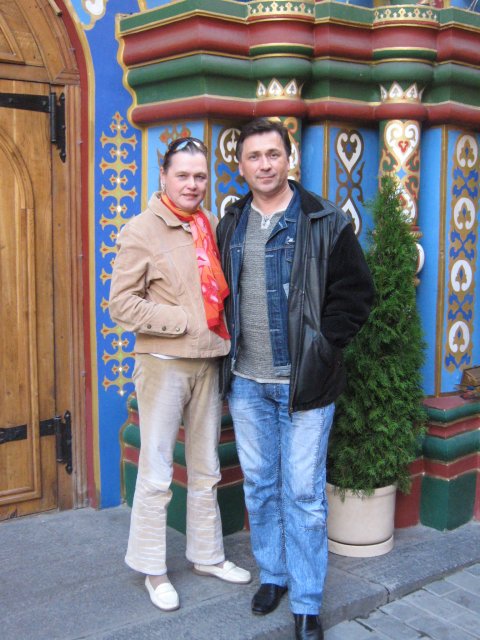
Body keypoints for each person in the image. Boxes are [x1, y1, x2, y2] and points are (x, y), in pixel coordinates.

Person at [216, 119, 374, 640]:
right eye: (254, 156)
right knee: (261, 486)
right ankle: (274, 575)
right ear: (241, 166)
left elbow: (356, 294)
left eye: (272, 154)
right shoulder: (231, 222)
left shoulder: (324, 220)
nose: (264, 164)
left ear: (289, 159)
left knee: (304, 494)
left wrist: (322, 348)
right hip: (246, 382)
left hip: (304, 385)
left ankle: (307, 601)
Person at [109, 136, 251, 612]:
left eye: (200, 176)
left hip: (208, 362)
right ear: (164, 176)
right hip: (164, 365)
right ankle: (153, 569)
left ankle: (207, 556)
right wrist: (183, 321)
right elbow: (121, 304)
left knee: (207, 467)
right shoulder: (141, 229)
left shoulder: (206, 223)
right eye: (183, 175)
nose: (193, 184)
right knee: (156, 472)